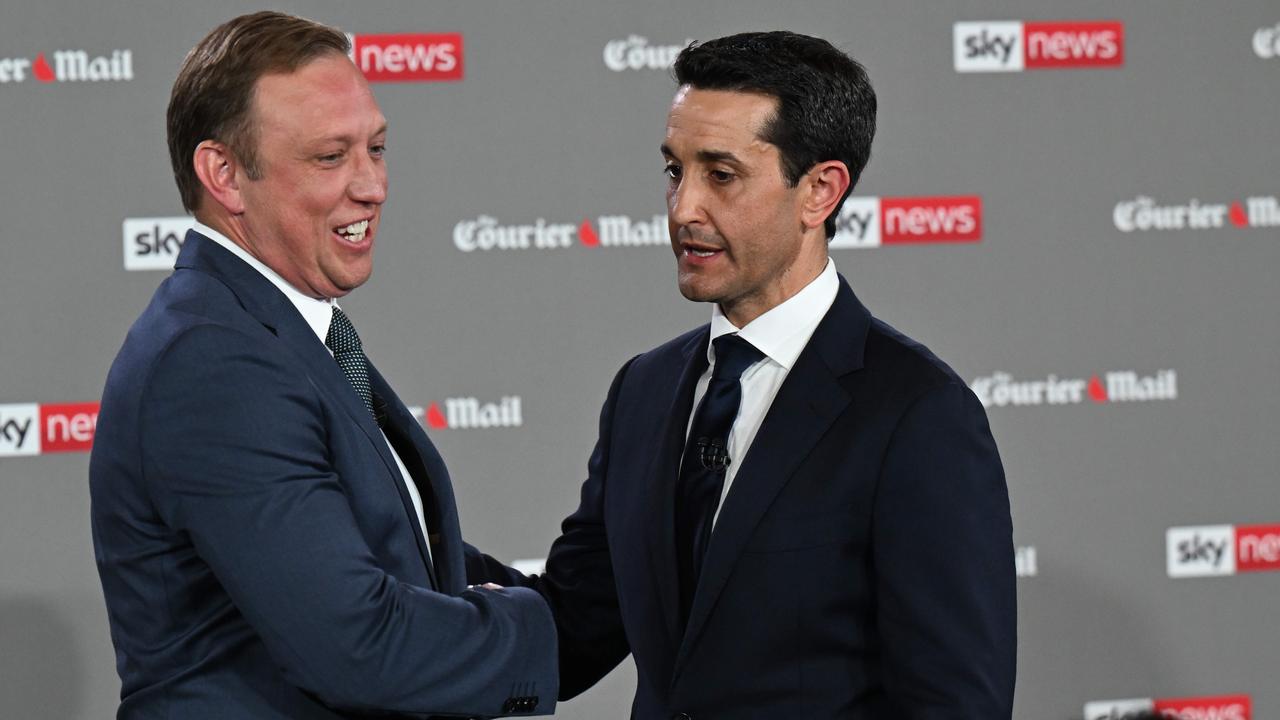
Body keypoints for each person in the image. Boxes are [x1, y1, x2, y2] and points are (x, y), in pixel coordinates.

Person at [532, 31, 1016, 718]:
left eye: (720, 175)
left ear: (820, 191)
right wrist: (401, 530)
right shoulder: (642, 390)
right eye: (674, 171)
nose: (683, 209)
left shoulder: (918, 416)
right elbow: (572, 628)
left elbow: (952, 705)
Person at [89, 12, 554, 718]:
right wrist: (535, 630)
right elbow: (358, 644)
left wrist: (594, 597)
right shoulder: (215, 361)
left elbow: (395, 555)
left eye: (377, 147)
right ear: (224, 174)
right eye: (330, 157)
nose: (372, 186)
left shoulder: (278, 331)